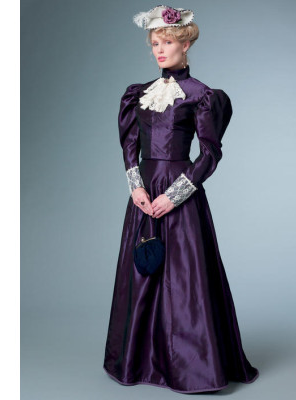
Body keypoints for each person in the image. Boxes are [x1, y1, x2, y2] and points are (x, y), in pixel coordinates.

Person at [103, 5, 259, 394]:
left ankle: (192, 367)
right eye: (155, 43)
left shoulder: (203, 96)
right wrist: (135, 186)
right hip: (145, 192)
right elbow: (130, 145)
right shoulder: (138, 94)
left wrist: (174, 196)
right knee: (144, 270)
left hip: (180, 190)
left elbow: (209, 154)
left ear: (185, 44)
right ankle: (141, 361)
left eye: (167, 42)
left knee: (185, 278)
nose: (159, 50)